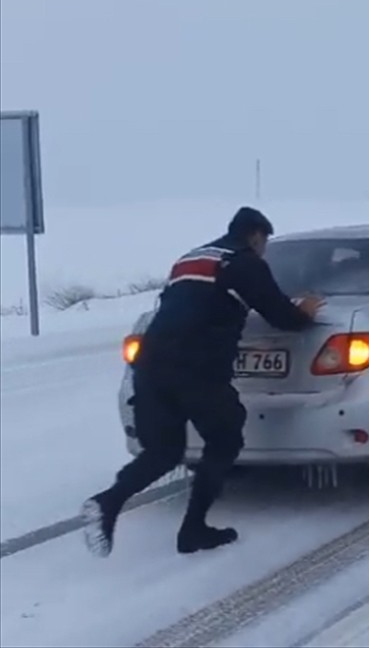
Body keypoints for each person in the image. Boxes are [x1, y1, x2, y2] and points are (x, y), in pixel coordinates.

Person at [81, 207, 325, 557]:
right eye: (264, 242)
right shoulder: (243, 262)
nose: (264, 249)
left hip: (150, 364)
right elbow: (281, 315)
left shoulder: (190, 259)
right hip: (196, 367)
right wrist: (307, 310)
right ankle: (193, 528)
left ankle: (107, 503)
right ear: (256, 236)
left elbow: (190, 303)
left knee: (164, 452)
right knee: (225, 439)